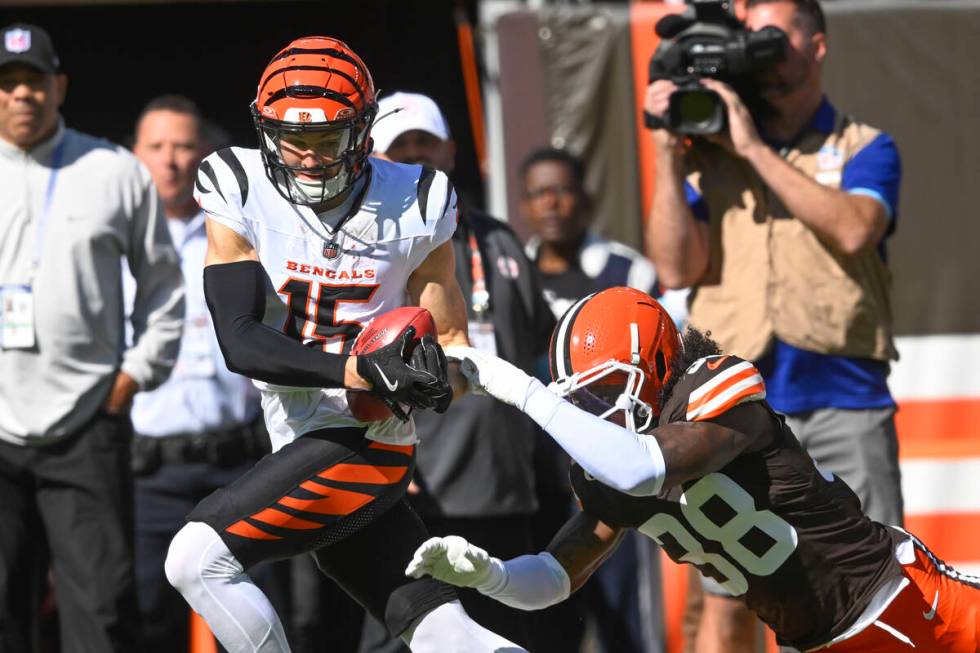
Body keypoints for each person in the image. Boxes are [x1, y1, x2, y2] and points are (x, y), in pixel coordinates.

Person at [162, 36, 526, 653]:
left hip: (368, 437)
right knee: (444, 632)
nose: (304, 157)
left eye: (325, 140)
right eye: (288, 138)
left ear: (362, 134)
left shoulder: (417, 198)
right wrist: (360, 370)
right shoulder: (237, 181)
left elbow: (455, 345)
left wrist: (435, 379)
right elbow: (241, 342)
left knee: (196, 560)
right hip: (300, 429)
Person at [411, 287, 980, 653]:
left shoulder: (714, 388)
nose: (598, 413)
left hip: (909, 603)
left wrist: (519, 390)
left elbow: (643, 470)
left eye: (606, 390)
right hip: (823, 640)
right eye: (582, 401)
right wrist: (493, 577)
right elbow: (557, 579)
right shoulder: (612, 466)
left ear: (656, 364)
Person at [644, 0, 903, 648]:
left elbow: (853, 227)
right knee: (732, 592)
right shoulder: (709, 152)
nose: (756, 47)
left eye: (771, 34)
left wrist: (753, 148)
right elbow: (676, 264)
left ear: (816, 44)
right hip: (733, 404)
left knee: (875, 582)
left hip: (845, 400)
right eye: (747, 33)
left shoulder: (864, 144)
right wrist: (669, 157)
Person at [0, 23, 185, 652]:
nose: (21, 95)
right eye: (7, 83)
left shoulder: (112, 170)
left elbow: (164, 284)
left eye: (34, 81)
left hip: (86, 420)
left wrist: (133, 375)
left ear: (60, 86)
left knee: (102, 613)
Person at [354, 91, 555, 653]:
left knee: (503, 641)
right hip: (415, 493)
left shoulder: (500, 238)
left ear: (451, 150)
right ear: (371, 154)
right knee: (404, 638)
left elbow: (536, 347)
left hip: (505, 493)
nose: (417, 157)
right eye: (402, 146)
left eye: (427, 143)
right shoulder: (366, 249)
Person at [128, 94, 292, 652]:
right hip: (148, 470)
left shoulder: (241, 233)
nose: (170, 160)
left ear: (205, 155)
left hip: (237, 463)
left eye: (183, 146)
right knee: (145, 617)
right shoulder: (114, 241)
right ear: (135, 155)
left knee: (250, 614)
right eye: (157, 147)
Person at [521, 146, 679, 653]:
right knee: (545, 613)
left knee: (623, 618)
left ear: (585, 200)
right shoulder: (513, 274)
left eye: (562, 191)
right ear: (525, 205)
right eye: (539, 194)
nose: (551, 204)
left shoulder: (628, 272)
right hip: (533, 474)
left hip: (611, 475)